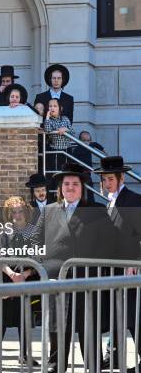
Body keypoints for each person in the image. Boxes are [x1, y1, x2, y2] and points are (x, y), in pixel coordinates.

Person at [31, 162, 116, 372]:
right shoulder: (49, 211)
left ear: (82, 187)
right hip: (56, 281)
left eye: (74, 184)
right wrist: (43, 268)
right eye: (66, 184)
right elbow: (35, 242)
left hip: (86, 280)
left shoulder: (96, 211)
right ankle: (55, 364)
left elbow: (109, 243)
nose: (70, 187)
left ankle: (93, 365)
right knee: (58, 328)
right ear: (60, 188)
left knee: (89, 329)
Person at [95, 156, 141, 371]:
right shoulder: (111, 201)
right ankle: (112, 355)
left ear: (122, 178)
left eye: (110, 179)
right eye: (104, 180)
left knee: (133, 317)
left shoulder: (133, 200)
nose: (106, 183)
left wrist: (134, 261)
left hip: (130, 270)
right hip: (114, 270)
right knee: (118, 316)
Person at [0, 196, 42, 367]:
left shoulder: (34, 231)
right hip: (7, 280)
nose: (17, 215)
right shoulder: (5, 232)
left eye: (20, 211)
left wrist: (25, 274)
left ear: (26, 211)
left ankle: (24, 355)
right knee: (2, 319)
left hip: (26, 280)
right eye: (13, 212)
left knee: (24, 320)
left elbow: (39, 258)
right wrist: (11, 274)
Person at [44, 98, 74, 175]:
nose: (52, 108)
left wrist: (66, 129)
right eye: (50, 106)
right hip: (55, 150)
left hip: (67, 150)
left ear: (60, 108)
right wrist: (47, 117)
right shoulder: (49, 120)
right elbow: (47, 130)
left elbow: (72, 133)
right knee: (56, 173)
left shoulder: (65, 119)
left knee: (67, 172)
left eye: (55, 106)